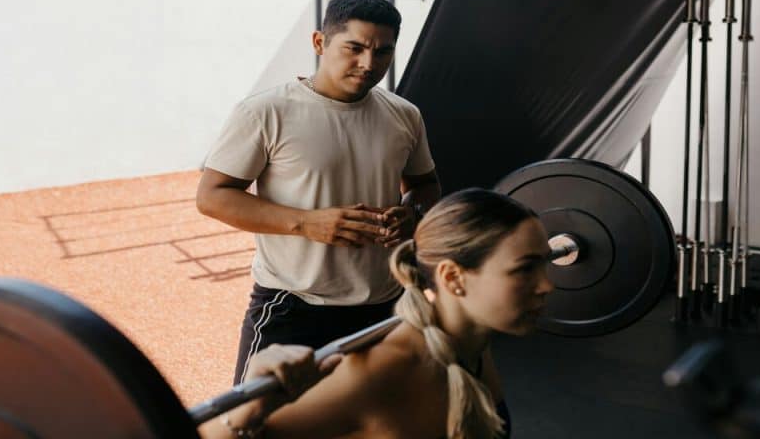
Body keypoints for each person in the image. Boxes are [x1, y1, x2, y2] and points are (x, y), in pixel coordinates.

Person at [197, 0, 441, 386]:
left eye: (382, 52)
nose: (368, 63)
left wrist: (412, 212)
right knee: (255, 423)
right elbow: (212, 196)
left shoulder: (404, 115)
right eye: (355, 47)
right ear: (319, 43)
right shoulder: (266, 111)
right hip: (293, 306)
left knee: (372, 423)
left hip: (384, 306)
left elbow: (424, 184)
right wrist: (305, 223)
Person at [205, 188, 554, 439]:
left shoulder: (471, 340)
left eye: (546, 264)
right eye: (525, 269)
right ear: (452, 277)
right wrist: (248, 409)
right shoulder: (377, 373)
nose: (546, 286)